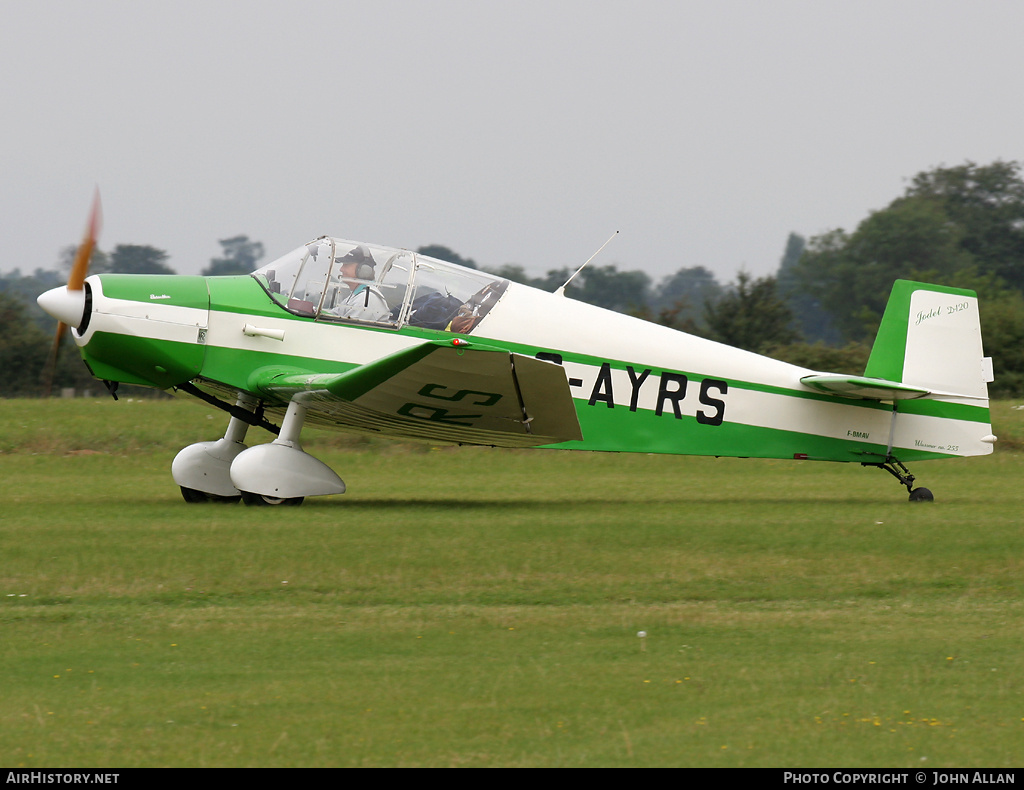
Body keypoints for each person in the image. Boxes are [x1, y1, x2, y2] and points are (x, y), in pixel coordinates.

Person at [329, 245, 391, 322]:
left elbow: (346, 328)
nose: (341, 269)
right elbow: (333, 315)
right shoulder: (355, 296)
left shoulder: (366, 299)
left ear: (363, 270)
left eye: (346, 265)